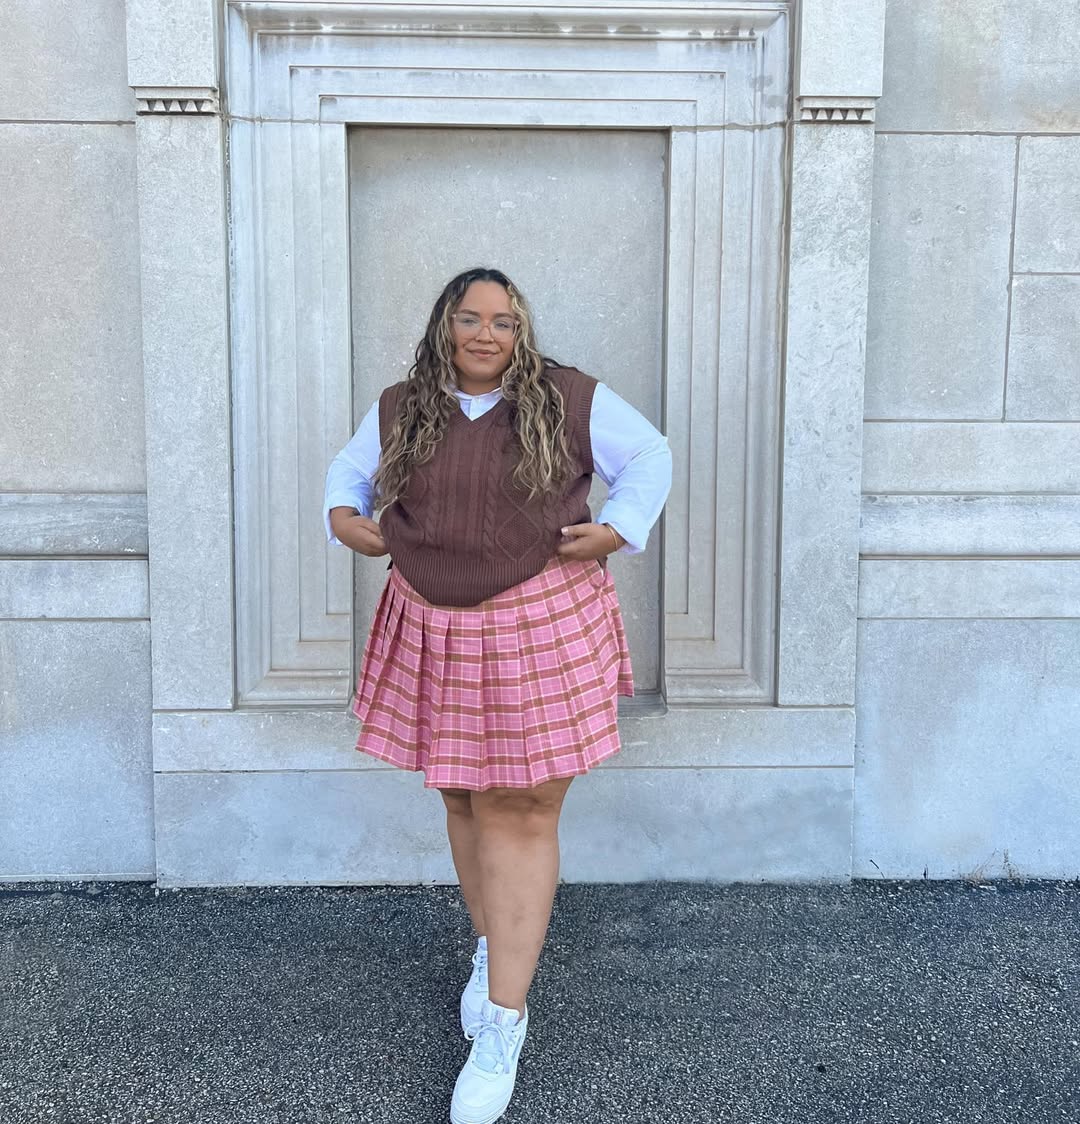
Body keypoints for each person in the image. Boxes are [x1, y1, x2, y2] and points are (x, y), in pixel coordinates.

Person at [323, 266, 671, 1124]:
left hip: (536, 615)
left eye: (505, 323)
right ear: (445, 324)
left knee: (521, 807)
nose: (487, 335)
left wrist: (621, 526)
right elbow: (349, 468)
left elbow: (650, 455)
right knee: (465, 795)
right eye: (471, 318)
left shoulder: (568, 396)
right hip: (431, 616)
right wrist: (344, 510)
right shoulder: (405, 403)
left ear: (522, 333)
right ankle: (493, 950)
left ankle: (504, 1021)